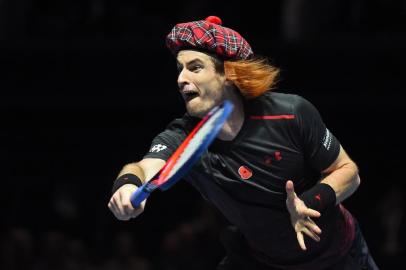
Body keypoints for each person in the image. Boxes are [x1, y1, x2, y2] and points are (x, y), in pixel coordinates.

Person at [108, 16, 379, 270]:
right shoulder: (182, 137)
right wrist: (127, 184)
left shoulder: (291, 113)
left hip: (338, 256)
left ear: (228, 74)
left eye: (195, 67)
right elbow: (144, 167)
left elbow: (348, 172)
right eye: (179, 69)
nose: (181, 79)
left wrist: (310, 202)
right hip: (263, 261)